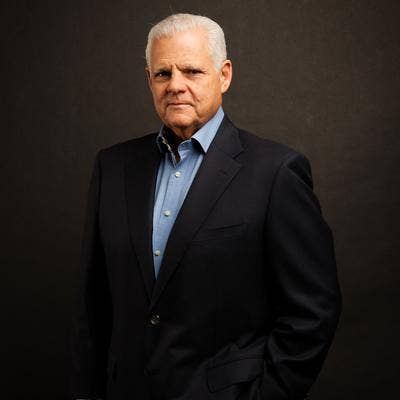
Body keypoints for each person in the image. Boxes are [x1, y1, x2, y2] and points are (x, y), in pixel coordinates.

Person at [70, 13, 341, 400]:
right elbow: (92, 303)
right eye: (163, 73)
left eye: (192, 71)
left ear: (224, 75)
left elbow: (313, 311)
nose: (175, 85)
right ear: (149, 80)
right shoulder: (112, 167)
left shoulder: (276, 173)